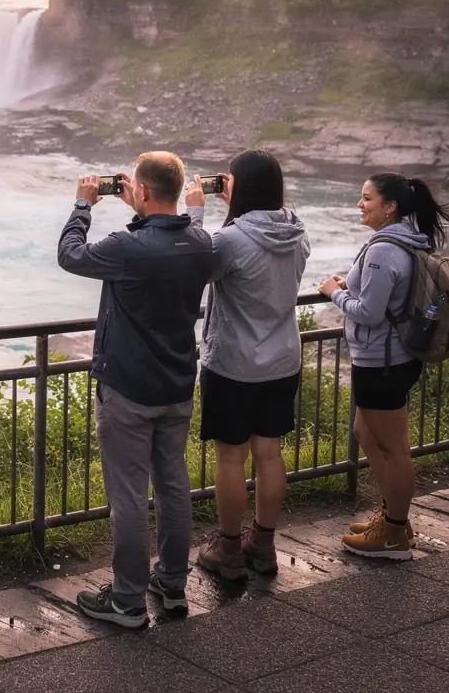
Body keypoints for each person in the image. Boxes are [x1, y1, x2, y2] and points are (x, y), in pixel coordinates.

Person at [58, 154, 214, 626]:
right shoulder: (202, 243)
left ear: (142, 191)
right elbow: (162, 237)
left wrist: (83, 205)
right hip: (178, 383)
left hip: (128, 387)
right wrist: (144, 211)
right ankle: (171, 584)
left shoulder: (128, 248)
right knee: (173, 487)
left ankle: (126, 600)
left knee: (128, 495)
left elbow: (71, 254)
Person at [184, 152, 310, 580]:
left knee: (231, 459)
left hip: (235, 364)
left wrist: (197, 213)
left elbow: (195, 266)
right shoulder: (297, 232)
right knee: (269, 454)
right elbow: (263, 236)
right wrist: (236, 209)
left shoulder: (230, 240)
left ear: (237, 187)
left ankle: (229, 549)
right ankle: (265, 545)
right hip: (282, 359)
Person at [318, 173, 449, 560]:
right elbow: (388, 293)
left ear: (389, 206)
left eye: (367, 198)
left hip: (383, 362)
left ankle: (394, 535)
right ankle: (394, 516)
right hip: (393, 358)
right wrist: (354, 286)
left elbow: (370, 313)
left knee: (395, 450)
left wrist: (336, 293)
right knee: (365, 433)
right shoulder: (404, 240)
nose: (360, 204)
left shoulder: (382, 250)